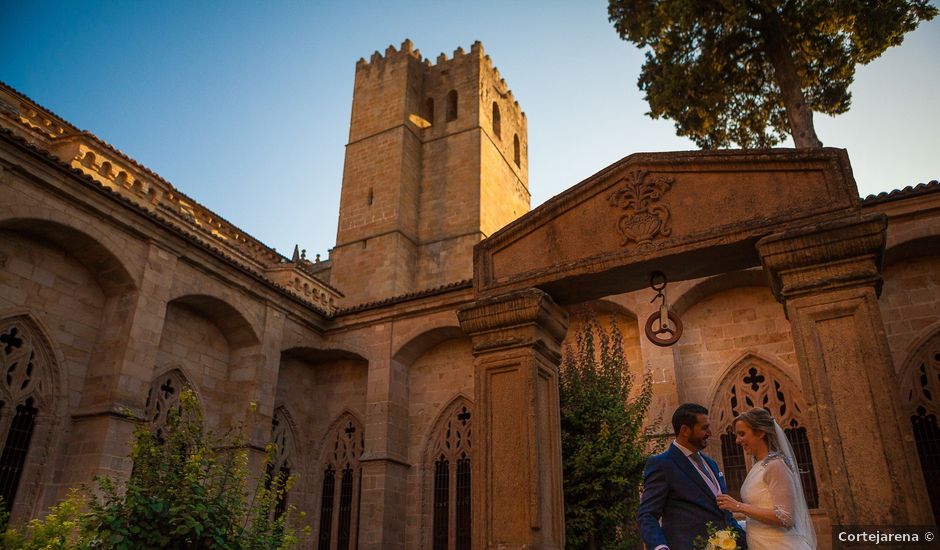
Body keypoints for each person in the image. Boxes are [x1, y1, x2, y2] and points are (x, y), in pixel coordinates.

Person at [638, 403, 746, 549]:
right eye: (704, 428)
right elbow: (647, 515)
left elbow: (724, 514)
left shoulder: (711, 464)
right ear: (685, 430)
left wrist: (744, 542)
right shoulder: (662, 464)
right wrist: (660, 547)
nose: (710, 433)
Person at [716, 408, 816, 550]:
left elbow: (785, 517)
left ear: (761, 432)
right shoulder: (759, 465)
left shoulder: (776, 465)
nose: (737, 440)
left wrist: (738, 506)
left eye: (742, 434)